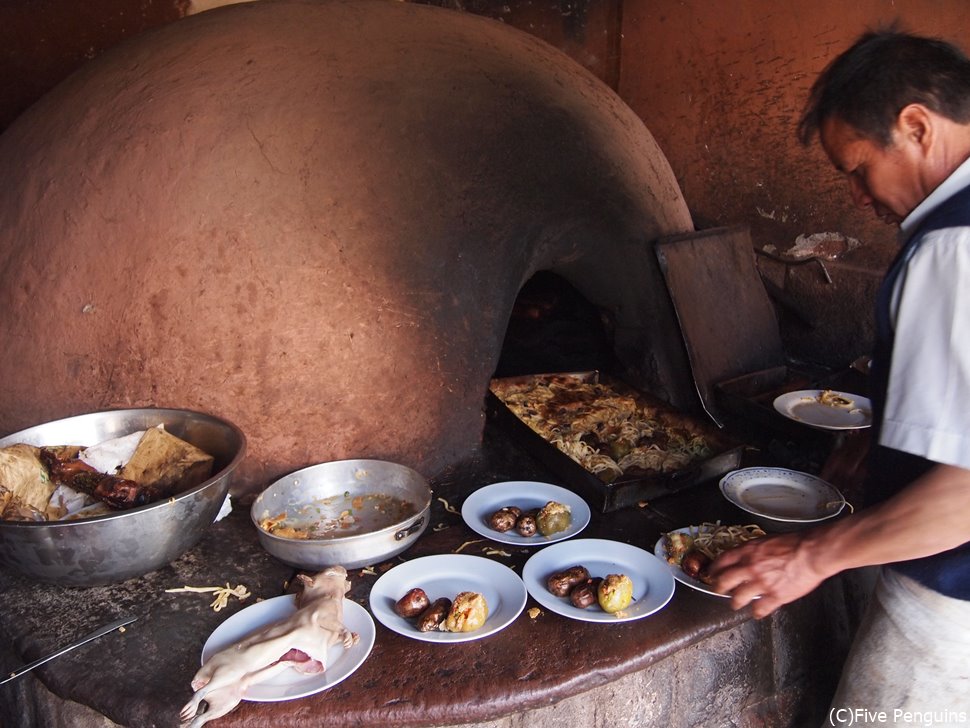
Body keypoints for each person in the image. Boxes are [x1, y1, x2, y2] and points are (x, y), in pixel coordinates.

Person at [708, 28, 970, 726]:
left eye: (857, 168)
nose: (856, 197)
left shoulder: (951, 247)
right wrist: (886, 432)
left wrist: (813, 557)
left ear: (916, 126)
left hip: (949, 606)